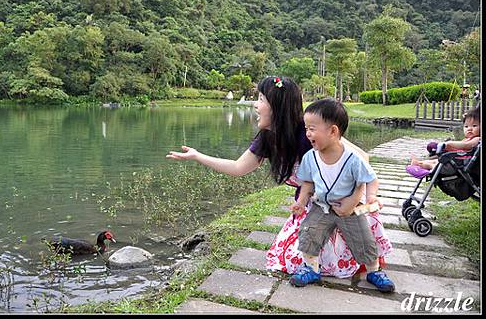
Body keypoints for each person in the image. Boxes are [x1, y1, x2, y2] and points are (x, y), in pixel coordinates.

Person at [166, 76, 392, 278]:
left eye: (261, 99)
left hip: (344, 204)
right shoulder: (267, 137)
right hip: (313, 206)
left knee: (306, 259)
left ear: (277, 107)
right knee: (290, 258)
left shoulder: (309, 135)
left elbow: (361, 158)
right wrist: (197, 156)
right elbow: (237, 167)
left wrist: (356, 198)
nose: (255, 105)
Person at [289, 98, 395, 292]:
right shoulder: (310, 157)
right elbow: (307, 183)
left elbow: (370, 179)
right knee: (308, 232)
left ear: (333, 131)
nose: (307, 134)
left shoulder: (352, 159)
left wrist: (370, 198)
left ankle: (374, 270)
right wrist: (301, 202)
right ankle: (311, 268)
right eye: (306, 128)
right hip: (322, 207)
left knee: (363, 238)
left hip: (349, 209)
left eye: (312, 128)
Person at [408, 106, 480, 173]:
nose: (469, 129)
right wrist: (444, 146)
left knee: (437, 162)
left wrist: (449, 143)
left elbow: (465, 145)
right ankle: (419, 163)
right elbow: (457, 147)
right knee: (435, 159)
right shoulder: (466, 139)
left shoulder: (477, 139)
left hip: (460, 163)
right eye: (466, 126)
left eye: (474, 126)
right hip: (455, 159)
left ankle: (426, 166)